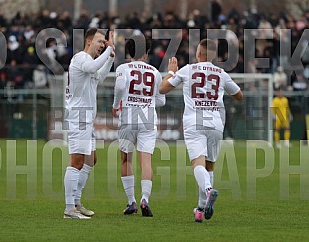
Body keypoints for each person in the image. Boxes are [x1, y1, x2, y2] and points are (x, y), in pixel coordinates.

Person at [159, 39, 243, 223]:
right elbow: (239, 95)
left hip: (194, 121)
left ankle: (208, 189)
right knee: (209, 165)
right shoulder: (221, 73)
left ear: (199, 53)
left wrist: (171, 70)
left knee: (198, 163)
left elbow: (162, 89)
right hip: (215, 123)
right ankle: (200, 209)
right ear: (213, 56)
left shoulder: (188, 69)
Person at [64, 28, 115, 219]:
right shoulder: (80, 59)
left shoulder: (89, 63)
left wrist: (110, 57)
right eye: (100, 41)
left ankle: (76, 202)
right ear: (88, 41)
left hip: (87, 119)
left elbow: (99, 76)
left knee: (91, 159)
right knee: (77, 161)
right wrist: (109, 50)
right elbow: (93, 68)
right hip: (78, 117)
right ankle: (69, 209)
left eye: (104, 42)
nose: (102, 45)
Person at [112, 35, 165, 217]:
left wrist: (115, 104)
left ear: (129, 52)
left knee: (126, 159)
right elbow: (161, 100)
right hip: (148, 118)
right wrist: (146, 100)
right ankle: (145, 199)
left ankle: (131, 201)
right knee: (146, 160)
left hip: (128, 116)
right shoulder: (155, 72)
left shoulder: (123, 68)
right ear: (147, 52)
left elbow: (119, 87)